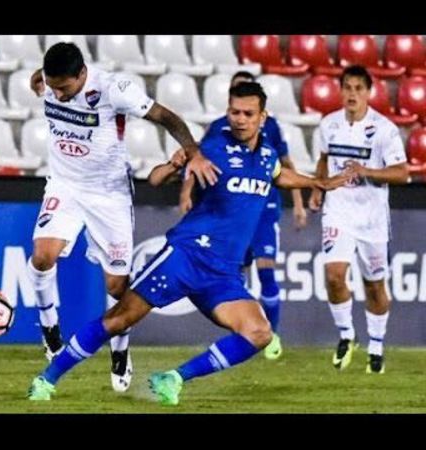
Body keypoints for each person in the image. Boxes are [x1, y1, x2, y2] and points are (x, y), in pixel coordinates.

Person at [27, 81, 350, 405]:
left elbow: (278, 176)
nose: (240, 119)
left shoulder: (266, 154)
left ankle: (173, 378)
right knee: (118, 319)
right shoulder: (211, 148)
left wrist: (316, 182)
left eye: (248, 113)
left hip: (223, 272)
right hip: (185, 256)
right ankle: (46, 379)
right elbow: (155, 179)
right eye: (234, 112)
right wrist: (178, 164)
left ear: (262, 117)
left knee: (259, 332)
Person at [26, 42, 220, 392]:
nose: (58, 94)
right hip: (65, 185)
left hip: (108, 193)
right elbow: (39, 79)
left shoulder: (115, 89)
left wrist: (192, 152)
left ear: (82, 75)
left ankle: (120, 350)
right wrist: (39, 81)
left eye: (64, 89)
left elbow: (166, 117)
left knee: (117, 285)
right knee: (42, 255)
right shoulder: (50, 81)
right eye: (53, 87)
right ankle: (50, 331)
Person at [180, 71, 307, 361]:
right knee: (236, 272)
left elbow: (285, 165)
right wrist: (186, 192)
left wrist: (298, 203)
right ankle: (246, 324)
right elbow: (197, 160)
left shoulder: (271, 128)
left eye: (248, 108)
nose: (241, 117)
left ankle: (271, 335)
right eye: (235, 105)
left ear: (260, 110)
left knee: (266, 269)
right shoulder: (217, 129)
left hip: (264, 209)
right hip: (230, 212)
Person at [309, 65, 409, 374]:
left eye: (358, 88)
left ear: (369, 92)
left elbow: (402, 173)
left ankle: (376, 347)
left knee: (375, 286)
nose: (352, 94)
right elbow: (324, 159)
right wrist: (318, 186)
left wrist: (367, 171)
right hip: (338, 211)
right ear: (341, 91)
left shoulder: (384, 129)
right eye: (347, 88)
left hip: (372, 219)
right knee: (335, 275)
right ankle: (346, 336)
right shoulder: (329, 125)